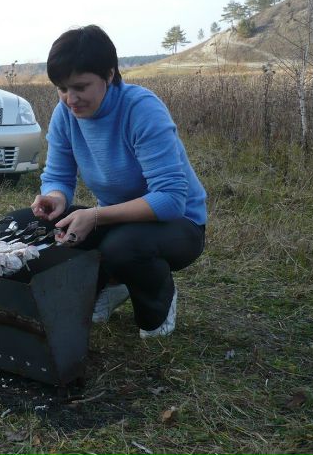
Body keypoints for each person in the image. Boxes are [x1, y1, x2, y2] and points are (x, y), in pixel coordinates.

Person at [17, 25, 207, 338]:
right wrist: (55, 198)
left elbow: (171, 199)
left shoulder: (141, 109)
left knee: (122, 247)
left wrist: (95, 216)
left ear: (108, 75)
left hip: (179, 224)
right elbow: (58, 175)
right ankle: (112, 284)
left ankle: (158, 306)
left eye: (80, 87)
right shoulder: (65, 114)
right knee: (26, 224)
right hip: (116, 220)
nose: (70, 99)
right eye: (62, 89)